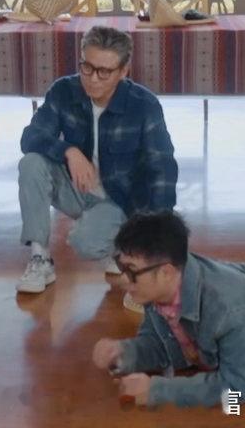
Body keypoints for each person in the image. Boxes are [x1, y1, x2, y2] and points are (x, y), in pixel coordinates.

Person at [16, 26, 177, 296]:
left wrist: (157, 234)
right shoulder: (64, 91)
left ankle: (121, 247)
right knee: (31, 163)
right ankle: (40, 258)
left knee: (85, 243)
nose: (92, 79)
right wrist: (69, 151)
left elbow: (162, 169)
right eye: (87, 67)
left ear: (123, 71)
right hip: (77, 188)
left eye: (104, 72)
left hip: (119, 201)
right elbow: (31, 137)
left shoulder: (144, 105)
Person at [92, 211, 245, 408]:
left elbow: (237, 393)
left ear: (166, 272)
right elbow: (162, 344)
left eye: (132, 271)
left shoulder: (229, 309)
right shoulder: (159, 290)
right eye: (121, 267)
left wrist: (159, 391)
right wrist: (123, 353)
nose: (124, 280)